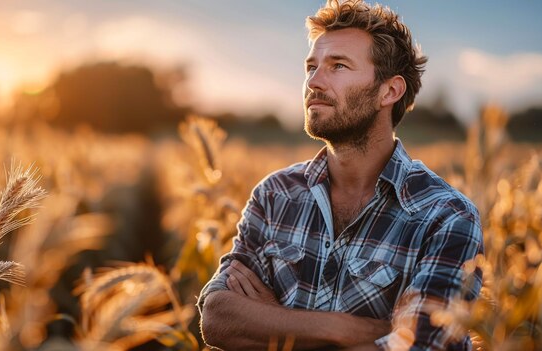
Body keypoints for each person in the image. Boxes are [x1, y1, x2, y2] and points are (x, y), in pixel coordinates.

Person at [197, 0, 484, 350]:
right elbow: (216, 317)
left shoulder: (445, 217)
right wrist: (347, 331)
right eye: (311, 67)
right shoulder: (275, 195)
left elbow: (423, 346)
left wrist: (273, 322)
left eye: (339, 66)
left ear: (389, 91)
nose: (314, 82)